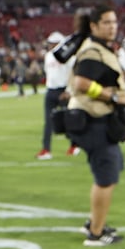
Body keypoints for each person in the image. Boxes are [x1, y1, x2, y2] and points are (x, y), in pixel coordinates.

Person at [66, 5, 125, 246]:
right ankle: (96, 233)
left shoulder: (99, 48)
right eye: (106, 22)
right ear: (94, 26)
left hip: (96, 119)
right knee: (106, 176)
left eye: (114, 22)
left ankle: (96, 222)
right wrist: (114, 97)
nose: (112, 27)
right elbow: (82, 82)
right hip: (94, 120)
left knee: (109, 172)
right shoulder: (93, 50)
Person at [38, 30, 72, 159]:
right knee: (48, 122)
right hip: (51, 90)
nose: (51, 45)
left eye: (54, 43)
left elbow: (72, 73)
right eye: (50, 43)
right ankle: (46, 149)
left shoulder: (67, 56)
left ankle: (74, 145)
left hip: (63, 91)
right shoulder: (48, 56)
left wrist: (68, 90)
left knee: (69, 120)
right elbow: (49, 73)